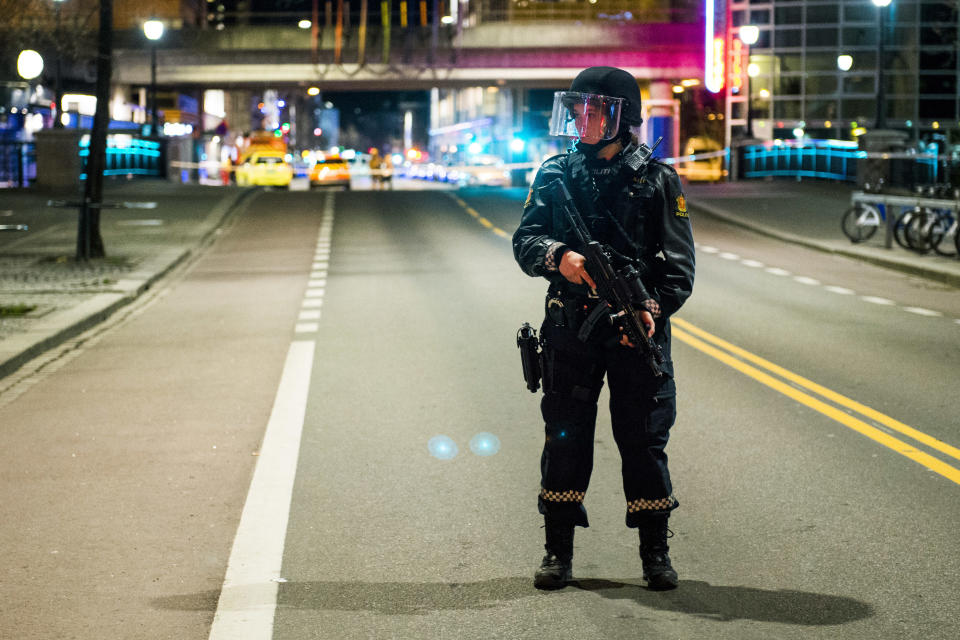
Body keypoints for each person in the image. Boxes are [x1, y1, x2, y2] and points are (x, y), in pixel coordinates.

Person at [512, 67, 695, 591]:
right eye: (576, 109)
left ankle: (655, 553)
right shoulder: (554, 174)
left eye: (594, 110)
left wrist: (653, 308)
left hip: (636, 332)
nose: (581, 119)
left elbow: (679, 266)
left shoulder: (658, 181)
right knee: (564, 438)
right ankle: (557, 552)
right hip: (570, 330)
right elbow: (526, 240)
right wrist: (557, 256)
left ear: (621, 118)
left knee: (643, 441)